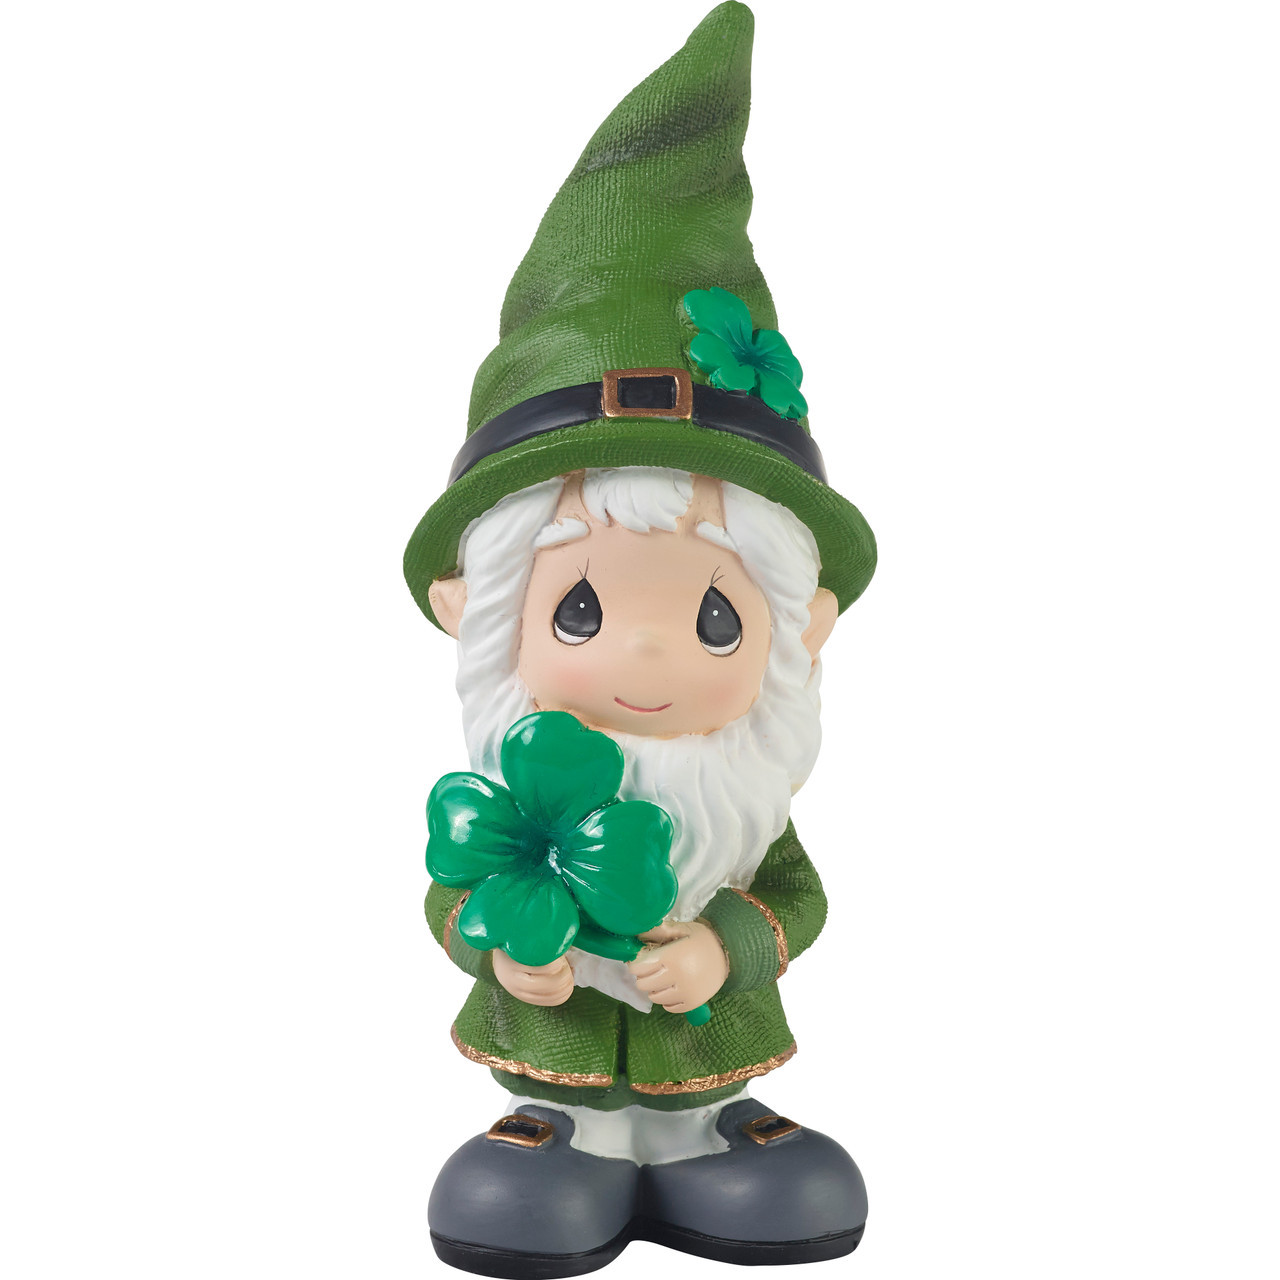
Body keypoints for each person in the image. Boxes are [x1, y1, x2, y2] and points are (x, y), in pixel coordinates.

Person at [403, 6, 876, 1274]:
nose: (649, 660)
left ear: (800, 631)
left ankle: (699, 1134)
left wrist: (724, 944)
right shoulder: (507, 799)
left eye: (714, 617)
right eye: (582, 610)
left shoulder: (743, 797)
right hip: (556, 1055)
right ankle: (567, 1131)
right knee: (526, 1184)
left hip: (705, 1053)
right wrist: (498, 946)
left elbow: (793, 896)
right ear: (475, 614)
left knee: (778, 1169)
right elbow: (454, 891)